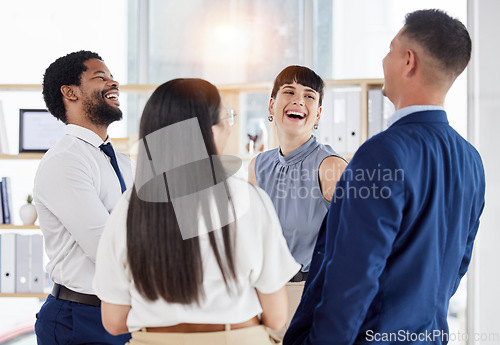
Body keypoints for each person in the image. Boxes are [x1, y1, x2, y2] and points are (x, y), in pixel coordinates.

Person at [284, 9, 485, 345]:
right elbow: (456, 266)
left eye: (390, 50)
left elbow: (352, 277)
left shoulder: (382, 153)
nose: (384, 59)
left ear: (408, 61)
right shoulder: (471, 160)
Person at [93, 78, 301, 345]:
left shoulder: (128, 209)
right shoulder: (247, 200)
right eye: (226, 117)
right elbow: (276, 317)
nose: (229, 127)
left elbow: (113, 322)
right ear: (210, 131)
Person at [34, 50, 133, 345]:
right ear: (70, 92)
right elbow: (107, 248)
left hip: (122, 314)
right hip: (79, 319)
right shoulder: (65, 161)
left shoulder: (123, 162)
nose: (113, 82)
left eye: (112, 76)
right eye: (100, 77)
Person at [248, 65, 347, 330]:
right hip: (260, 294)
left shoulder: (331, 167)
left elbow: (355, 246)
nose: (298, 101)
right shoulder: (257, 165)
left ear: (318, 114)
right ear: (272, 105)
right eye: (289, 92)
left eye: (309, 96)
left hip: (307, 295)